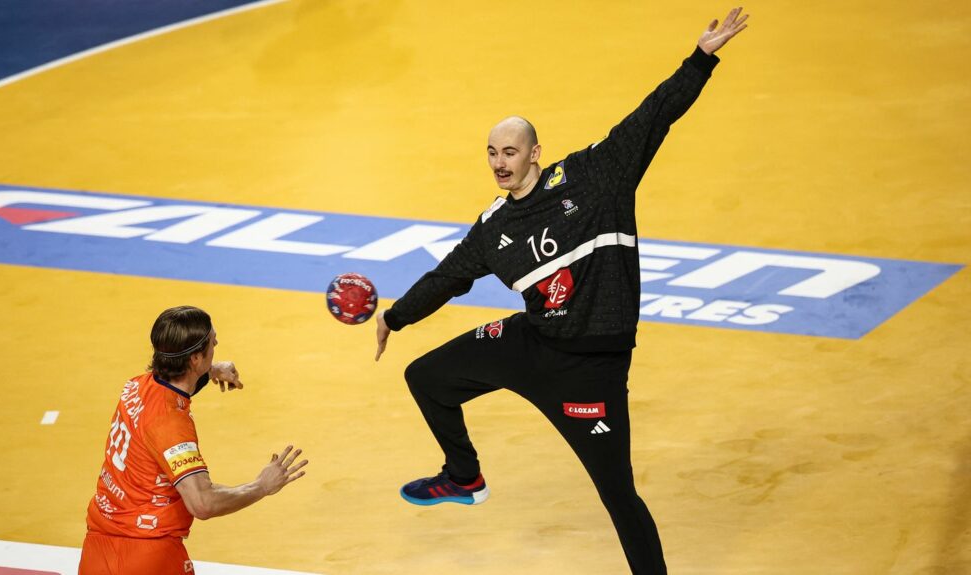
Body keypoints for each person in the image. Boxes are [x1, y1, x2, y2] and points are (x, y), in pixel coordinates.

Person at [373, 8, 748, 574]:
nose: (500, 163)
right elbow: (448, 276)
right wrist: (395, 318)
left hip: (591, 368)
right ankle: (463, 476)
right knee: (424, 376)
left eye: (511, 152)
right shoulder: (494, 225)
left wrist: (700, 60)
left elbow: (653, 118)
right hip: (532, 342)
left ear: (534, 154)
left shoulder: (594, 178)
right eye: (493, 153)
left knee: (619, 496)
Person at [79, 305, 308, 575]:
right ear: (195, 359)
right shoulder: (172, 426)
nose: (217, 343)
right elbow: (203, 503)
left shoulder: (137, 386)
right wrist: (261, 485)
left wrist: (211, 370)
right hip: (148, 558)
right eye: (212, 342)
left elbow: (169, 393)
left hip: (98, 551)